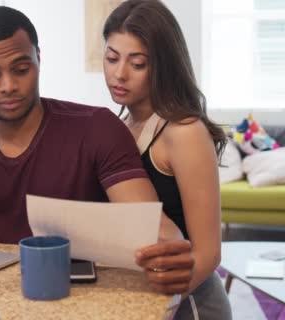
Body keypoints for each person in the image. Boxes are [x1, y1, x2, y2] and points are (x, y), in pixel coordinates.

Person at [0, 6, 193, 295]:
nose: (8, 86)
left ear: (39, 59)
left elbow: (149, 226)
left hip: (82, 298)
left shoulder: (96, 127)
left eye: (20, 69)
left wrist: (171, 248)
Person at [101, 0, 232, 318]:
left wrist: (151, 309)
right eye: (112, 58)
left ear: (163, 65)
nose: (119, 74)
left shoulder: (184, 131)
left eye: (138, 63)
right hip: (143, 294)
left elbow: (208, 254)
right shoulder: (121, 127)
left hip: (189, 305)